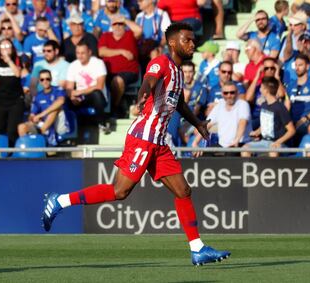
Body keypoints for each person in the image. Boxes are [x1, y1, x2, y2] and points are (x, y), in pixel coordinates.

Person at [41, 22, 231, 266]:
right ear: (173, 43)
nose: (192, 44)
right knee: (120, 191)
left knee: (183, 191)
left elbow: (179, 103)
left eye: (193, 40)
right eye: (187, 40)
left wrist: (197, 123)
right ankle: (60, 201)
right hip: (143, 138)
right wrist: (143, 93)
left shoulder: (178, 72)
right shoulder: (161, 62)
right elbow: (149, 80)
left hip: (158, 142)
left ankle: (197, 248)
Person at [98, 15, 141, 117]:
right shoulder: (106, 36)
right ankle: (102, 113)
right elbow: (101, 52)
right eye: (115, 24)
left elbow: (139, 30)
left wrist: (124, 19)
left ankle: (114, 108)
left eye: (120, 24)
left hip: (129, 72)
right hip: (108, 72)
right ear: (111, 26)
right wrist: (121, 52)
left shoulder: (129, 35)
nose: (117, 26)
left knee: (118, 81)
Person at [192, 81, 252, 156]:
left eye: (232, 92)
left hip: (240, 144)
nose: (229, 95)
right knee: (205, 155)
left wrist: (236, 140)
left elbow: (242, 123)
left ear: (237, 93)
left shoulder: (243, 104)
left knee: (232, 154)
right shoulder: (219, 106)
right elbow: (207, 124)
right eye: (226, 93)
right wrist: (195, 143)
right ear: (222, 94)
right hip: (223, 146)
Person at [241, 76, 295, 157]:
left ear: (266, 90)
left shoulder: (280, 107)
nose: (260, 90)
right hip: (263, 142)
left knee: (273, 151)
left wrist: (278, 142)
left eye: (261, 88)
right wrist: (257, 132)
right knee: (245, 149)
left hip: (278, 144)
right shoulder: (264, 105)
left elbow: (291, 130)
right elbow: (265, 125)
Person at [0, 38, 25, 146]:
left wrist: (8, 60)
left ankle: (12, 155)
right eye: (2, 47)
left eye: (7, 46)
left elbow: (18, 74)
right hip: (0, 100)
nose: (5, 49)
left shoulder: (18, 59)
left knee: (12, 131)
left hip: (15, 101)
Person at [18, 69, 68, 146]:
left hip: (59, 125)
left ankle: (41, 132)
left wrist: (41, 115)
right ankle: (26, 149)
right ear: (39, 81)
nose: (45, 81)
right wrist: (33, 117)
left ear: (51, 79)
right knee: (22, 126)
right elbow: (32, 114)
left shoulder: (58, 89)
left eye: (47, 79)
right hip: (44, 123)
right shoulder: (38, 96)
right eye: (42, 79)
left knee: (55, 109)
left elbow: (61, 101)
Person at [66, 41, 108, 123]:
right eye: (78, 53)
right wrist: (72, 97)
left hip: (94, 97)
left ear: (89, 52)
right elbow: (69, 88)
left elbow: (99, 86)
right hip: (80, 97)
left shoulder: (98, 63)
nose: (80, 56)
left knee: (96, 94)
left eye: (83, 53)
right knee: (62, 98)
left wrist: (79, 92)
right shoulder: (73, 65)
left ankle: (102, 123)